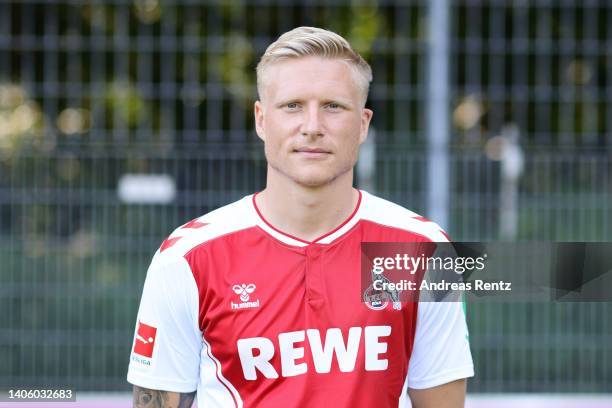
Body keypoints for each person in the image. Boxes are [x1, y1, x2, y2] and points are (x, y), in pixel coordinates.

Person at [127, 26, 473, 408]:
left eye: (333, 106)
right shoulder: (186, 258)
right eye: (292, 105)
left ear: (363, 124)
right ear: (261, 119)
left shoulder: (422, 250)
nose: (312, 127)